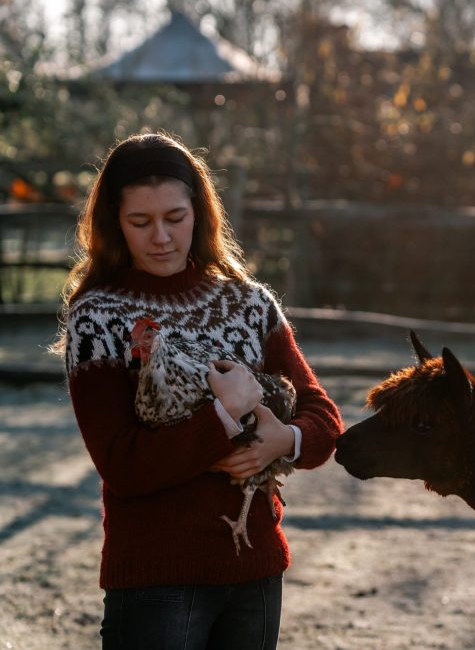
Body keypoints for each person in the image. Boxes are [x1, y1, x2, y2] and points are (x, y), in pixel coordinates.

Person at [53, 131, 344, 649]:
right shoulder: (97, 318)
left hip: (254, 569)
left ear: (200, 213)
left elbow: (322, 416)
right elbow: (123, 465)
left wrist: (282, 442)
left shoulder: (249, 303)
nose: (161, 236)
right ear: (115, 224)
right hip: (156, 578)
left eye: (175, 218)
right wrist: (225, 419)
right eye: (140, 222)